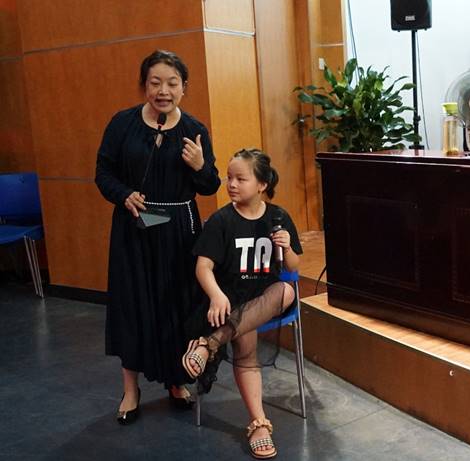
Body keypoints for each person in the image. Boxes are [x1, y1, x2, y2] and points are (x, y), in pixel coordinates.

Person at [95, 49, 221, 424]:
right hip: (135, 226)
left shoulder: (195, 129)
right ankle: (130, 390)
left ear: (184, 87)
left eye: (172, 83)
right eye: (155, 83)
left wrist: (200, 166)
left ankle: (176, 381)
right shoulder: (122, 124)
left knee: (177, 305)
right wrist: (123, 194)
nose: (163, 91)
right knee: (133, 305)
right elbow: (103, 173)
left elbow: (210, 184)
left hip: (179, 229)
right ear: (144, 86)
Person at [182, 148, 302, 460]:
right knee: (245, 338)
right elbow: (203, 267)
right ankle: (259, 424)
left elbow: (294, 267)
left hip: (267, 295)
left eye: (240, 179)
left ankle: (209, 343)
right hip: (231, 299)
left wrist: (288, 247)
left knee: (286, 291)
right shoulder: (221, 220)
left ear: (262, 184)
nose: (232, 184)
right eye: (229, 178)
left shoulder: (278, 217)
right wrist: (216, 294)